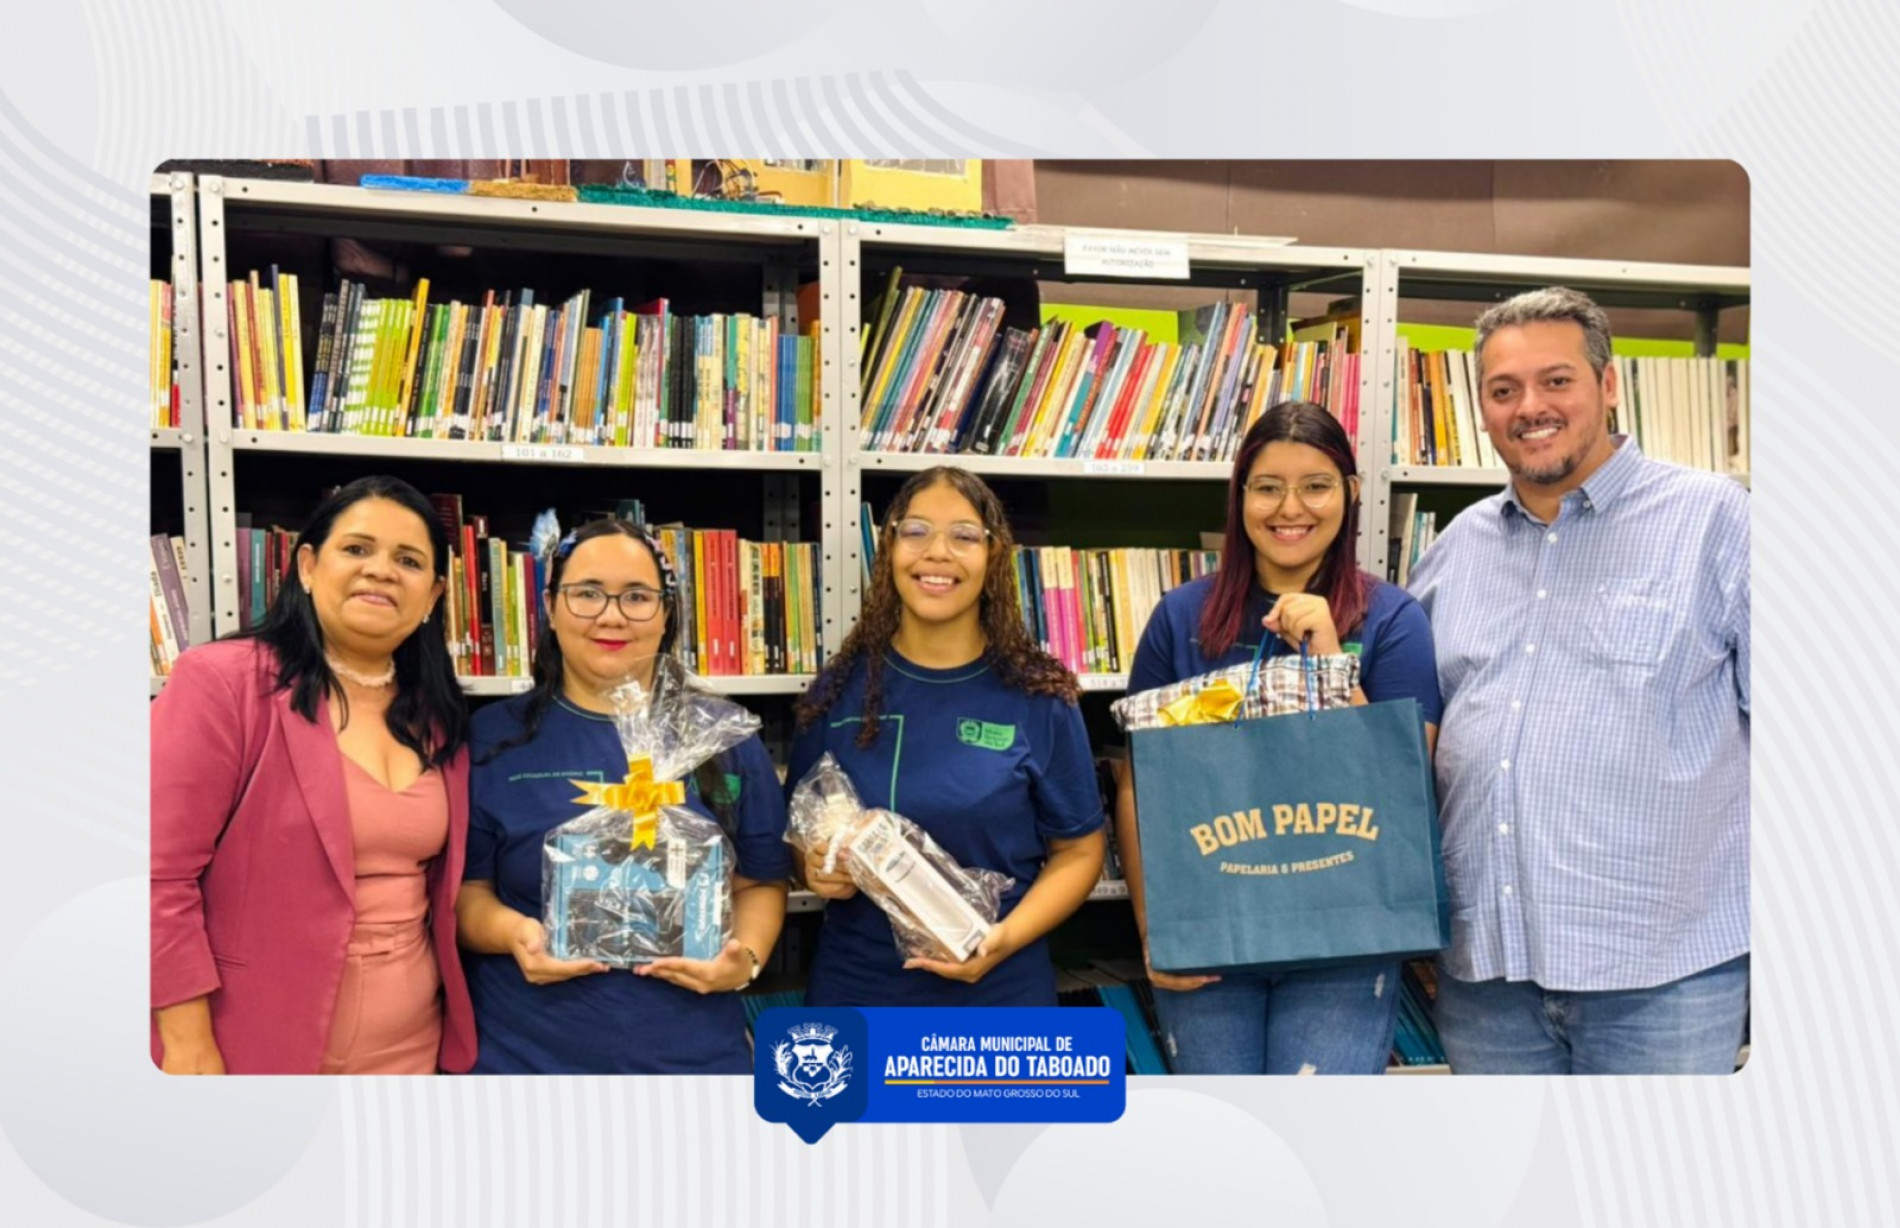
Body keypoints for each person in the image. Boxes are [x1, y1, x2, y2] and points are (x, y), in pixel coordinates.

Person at [1407, 286, 1750, 1075]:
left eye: (1555, 380)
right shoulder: (1460, 545)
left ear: (1608, 383)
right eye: (1504, 390)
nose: (1530, 407)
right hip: (1487, 981)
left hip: (1665, 980)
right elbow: (1408, 732)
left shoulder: (1716, 521)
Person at [1117, 401, 1443, 1074]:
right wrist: (1157, 932)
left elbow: (1405, 782)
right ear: (1239, 498)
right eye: (1267, 487)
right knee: (1221, 1140)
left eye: (1316, 486)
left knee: (1317, 1145)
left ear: (1350, 495)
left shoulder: (1392, 620)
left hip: (1347, 937)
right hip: (1210, 933)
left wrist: (1326, 657)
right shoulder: (1180, 619)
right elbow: (1138, 786)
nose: (1290, 508)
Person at [150, 475, 476, 1074]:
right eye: (357, 549)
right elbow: (154, 877)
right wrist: (186, 1039)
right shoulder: (222, 684)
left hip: (413, 1047)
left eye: (407, 560)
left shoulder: (439, 714)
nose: (380, 570)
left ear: (431, 597)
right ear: (307, 565)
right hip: (249, 1042)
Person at [457, 519, 790, 1073]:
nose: (611, 615)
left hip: (692, 1061)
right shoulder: (492, 738)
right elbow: (467, 896)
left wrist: (744, 962)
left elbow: (760, 882)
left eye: (637, 597)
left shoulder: (725, 737)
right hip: (526, 1062)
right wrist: (517, 934)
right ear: (550, 605)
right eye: (587, 593)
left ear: (666, 612)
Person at [790, 466, 1106, 1006]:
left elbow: (1079, 851)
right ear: (889, 549)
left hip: (1001, 998)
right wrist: (817, 869)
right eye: (916, 532)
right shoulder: (838, 691)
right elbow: (799, 841)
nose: (937, 552)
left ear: (993, 556)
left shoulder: (1040, 696)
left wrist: (1003, 940)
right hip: (858, 994)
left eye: (963, 536)